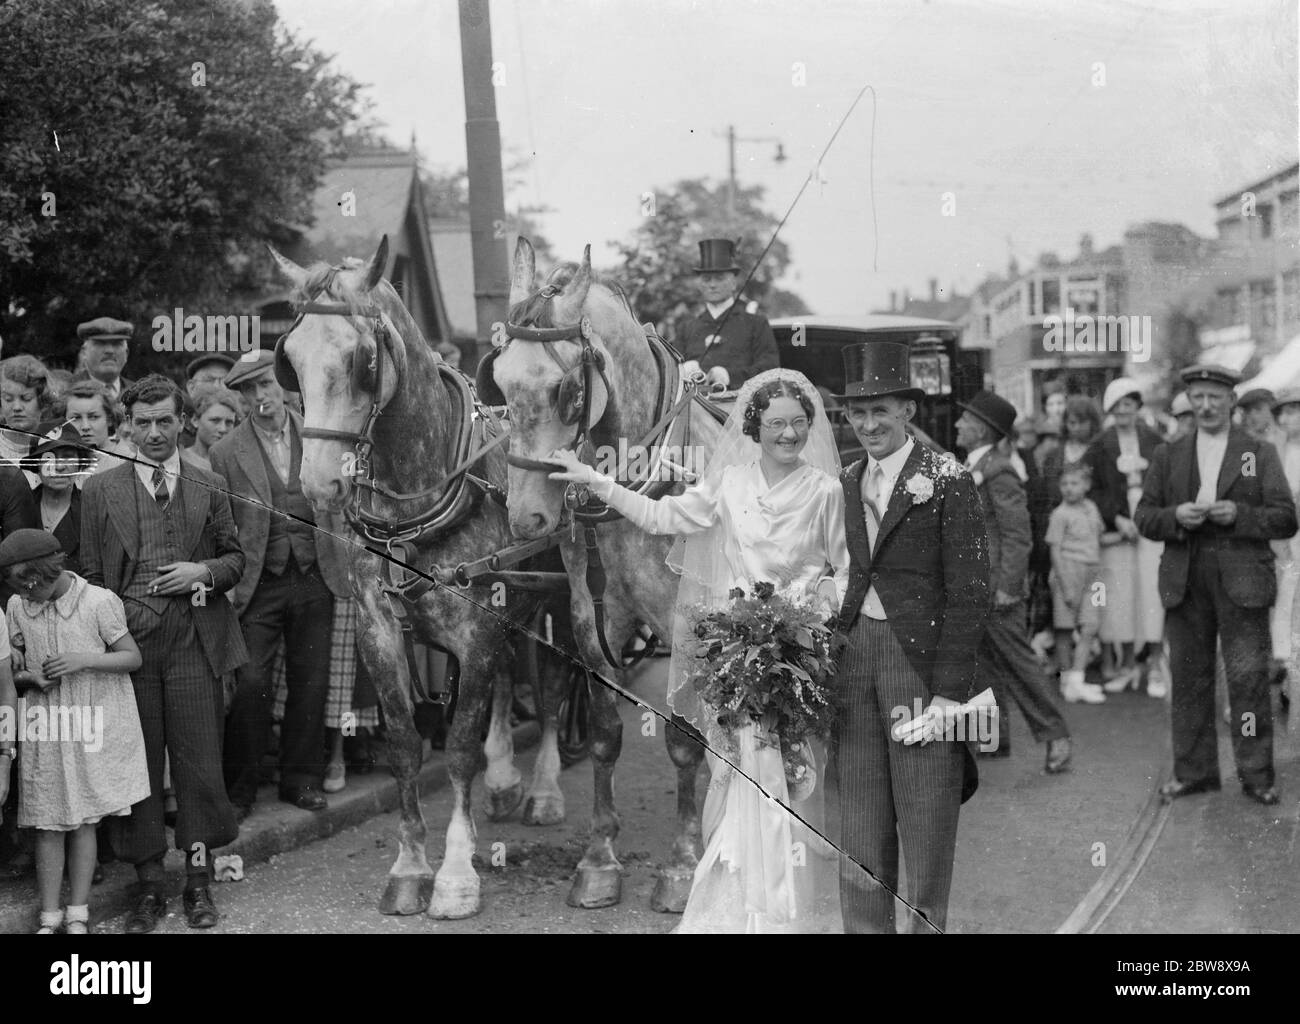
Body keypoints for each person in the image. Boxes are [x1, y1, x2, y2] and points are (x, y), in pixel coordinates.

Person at [546, 367, 848, 933]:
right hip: (737, 659)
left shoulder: (827, 492)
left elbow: (843, 570)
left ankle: (790, 915)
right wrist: (597, 479)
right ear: (754, 428)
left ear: (810, 427)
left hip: (799, 658)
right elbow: (663, 516)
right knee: (738, 779)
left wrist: (815, 614)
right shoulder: (730, 484)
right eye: (776, 423)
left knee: (794, 778)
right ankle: (737, 913)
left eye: (798, 423)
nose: (788, 433)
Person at [827, 343, 990, 932]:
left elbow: (972, 591)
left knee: (924, 824)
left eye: (882, 412)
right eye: (857, 414)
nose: (869, 425)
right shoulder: (848, 479)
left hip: (917, 665)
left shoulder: (947, 478)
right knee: (860, 825)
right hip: (854, 661)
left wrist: (950, 698)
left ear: (906, 412)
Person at [80, 374, 247, 930]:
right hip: (133, 647)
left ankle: (198, 883)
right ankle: (149, 886)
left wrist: (204, 571)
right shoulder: (100, 490)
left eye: (165, 421)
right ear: (127, 425)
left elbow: (235, 558)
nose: (154, 433)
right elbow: (91, 577)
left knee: (200, 767)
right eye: (143, 422)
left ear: (184, 422)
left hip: (197, 642)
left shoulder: (209, 481)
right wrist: (115, 628)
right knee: (140, 768)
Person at [1135, 364, 1297, 806]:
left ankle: (1256, 775)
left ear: (1231, 402)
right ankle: (1194, 773)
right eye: (1198, 398)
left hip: (1242, 579)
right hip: (1186, 579)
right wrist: (1174, 518)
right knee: (1188, 681)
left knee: (1246, 682)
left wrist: (1239, 517)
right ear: (1190, 401)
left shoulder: (1256, 453)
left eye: (1215, 398)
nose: (1206, 406)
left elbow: (1285, 517)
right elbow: (1145, 517)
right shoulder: (1170, 455)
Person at [210, 350, 346, 818]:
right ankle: (241, 788)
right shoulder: (225, 452)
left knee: (311, 684)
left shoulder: (318, 433)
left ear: (284, 384)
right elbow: (221, 524)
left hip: (315, 575)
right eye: (248, 390)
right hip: (257, 583)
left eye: (266, 384)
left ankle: (301, 780)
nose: (260, 396)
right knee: (250, 685)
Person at [0, 529, 149, 934]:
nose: (22, 595)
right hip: (45, 728)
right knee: (46, 822)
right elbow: (11, 666)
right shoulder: (17, 606)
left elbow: (132, 657)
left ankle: (78, 913)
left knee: (84, 820)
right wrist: (31, 676)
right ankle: (49, 918)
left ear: (38, 577)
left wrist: (81, 660)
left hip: (87, 724)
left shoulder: (98, 602)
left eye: (24, 586)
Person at [957, 391, 1072, 772]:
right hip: (975, 589)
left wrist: (1008, 586)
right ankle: (993, 739)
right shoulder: (975, 463)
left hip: (996, 590)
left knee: (1021, 666)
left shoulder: (999, 468)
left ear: (982, 430)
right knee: (982, 665)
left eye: (965, 420)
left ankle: (1056, 736)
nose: (958, 424)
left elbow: (1018, 534)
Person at [1086, 378, 1169, 697]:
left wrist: (1148, 516)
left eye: (1129, 404)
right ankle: (1127, 665)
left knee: (1152, 593)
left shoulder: (1155, 440)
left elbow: (1166, 482)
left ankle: (1155, 667)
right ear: (1110, 408)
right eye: (1117, 405)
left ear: (1137, 406)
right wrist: (1117, 518)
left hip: (1150, 524)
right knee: (1120, 596)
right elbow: (1090, 488)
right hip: (1118, 528)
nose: (1124, 411)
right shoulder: (1100, 444)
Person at [676, 238, 779, 391]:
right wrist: (682, 369)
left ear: (733, 283)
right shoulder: (687, 327)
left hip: (740, 407)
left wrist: (729, 376)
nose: (712, 284)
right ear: (699, 284)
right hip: (693, 409)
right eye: (706, 279)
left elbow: (770, 369)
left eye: (719, 278)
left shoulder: (756, 324)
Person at [1046, 462, 1108, 703]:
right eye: (1064, 484)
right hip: (1067, 571)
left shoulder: (1091, 508)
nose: (1068, 488)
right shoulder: (1060, 514)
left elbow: (1099, 537)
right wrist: (1066, 585)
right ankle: (1067, 680)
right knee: (1064, 627)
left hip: (1093, 572)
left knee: (1090, 625)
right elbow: (1055, 551)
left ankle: (1077, 679)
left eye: (1074, 483)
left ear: (1086, 485)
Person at [27, 423, 94, 576]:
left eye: (68, 457)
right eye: (49, 457)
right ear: (36, 463)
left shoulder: (92, 509)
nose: (59, 466)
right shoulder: (19, 505)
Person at [1272, 387, 1300, 703]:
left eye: (1295, 411)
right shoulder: (1276, 450)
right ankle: (1285, 664)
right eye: (1286, 412)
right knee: (1286, 596)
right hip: (1285, 533)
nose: (1290, 418)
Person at [64, 379, 134, 481]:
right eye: (76, 418)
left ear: (109, 419)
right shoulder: (58, 462)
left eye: (94, 417)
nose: (85, 426)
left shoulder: (129, 462)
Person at [0, 355, 54, 482]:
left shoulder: (58, 449)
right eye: (8, 399)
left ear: (43, 400)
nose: (17, 407)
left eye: (26, 398)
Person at [180, 355, 235, 450]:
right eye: (209, 380)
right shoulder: (172, 428)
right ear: (191, 387)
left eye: (226, 382)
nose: (219, 387)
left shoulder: (242, 431)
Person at [72, 317, 134, 402]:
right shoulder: (66, 391)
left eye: (117, 344)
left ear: (126, 353)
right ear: (84, 352)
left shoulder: (136, 393)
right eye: (100, 344)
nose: (109, 351)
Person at [182, 387, 241, 473]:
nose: (223, 429)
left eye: (229, 422)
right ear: (195, 420)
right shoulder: (179, 460)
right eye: (215, 421)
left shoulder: (237, 465)